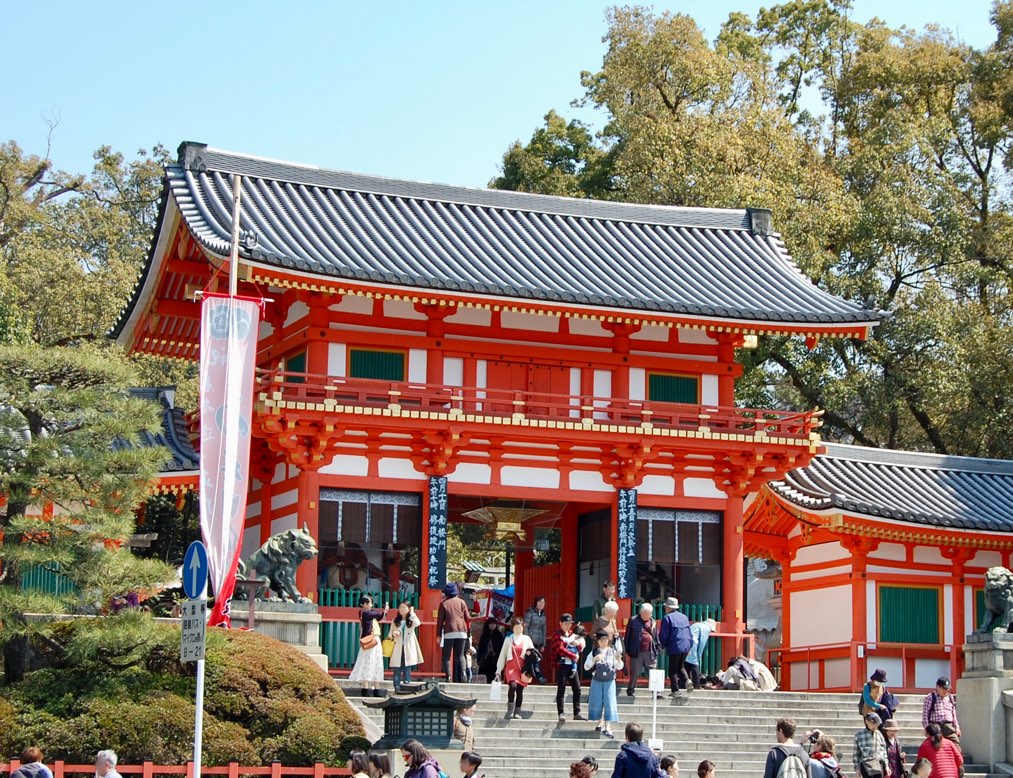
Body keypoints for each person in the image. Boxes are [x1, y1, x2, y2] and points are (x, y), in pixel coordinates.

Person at [585, 629, 623, 738]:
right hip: (596, 680)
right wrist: (594, 659)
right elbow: (586, 666)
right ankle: (599, 723)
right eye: (601, 640)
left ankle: (608, 726)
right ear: (598, 641)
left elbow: (619, 667)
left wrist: (619, 660)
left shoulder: (613, 651)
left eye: (605, 639)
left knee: (609, 702)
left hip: (609, 681)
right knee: (597, 701)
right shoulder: (594, 652)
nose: (604, 642)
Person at [349, 594, 389, 696]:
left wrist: (385, 612)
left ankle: (375, 689)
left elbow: (379, 617)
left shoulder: (368, 613)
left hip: (374, 639)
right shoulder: (365, 613)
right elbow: (377, 614)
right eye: (370, 603)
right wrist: (382, 612)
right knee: (368, 663)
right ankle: (366, 688)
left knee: (375, 663)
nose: (371, 605)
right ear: (365, 604)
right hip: (370, 640)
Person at [496, 617, 535, 719]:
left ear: (523, 627)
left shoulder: (527, 639)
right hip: (511, 667)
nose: (518, 630)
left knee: (520, 690)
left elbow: (534, 654)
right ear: (512, 628)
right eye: (516, 628)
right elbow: (503, 655)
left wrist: (530, 653)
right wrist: (498, 670)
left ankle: (518, 711)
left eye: (520, 628)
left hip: (522, 669)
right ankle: (510, 709)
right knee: (513, 686)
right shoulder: (508, 639)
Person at [552, 613, 585, 721]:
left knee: (577, 688)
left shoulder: (572, 634)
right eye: (566, 623)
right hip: (561, 664)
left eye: (570, 624)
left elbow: (580, 647)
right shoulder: (557, 635)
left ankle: (577, 713)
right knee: (561, 688)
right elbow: (560, 649)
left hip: (572, 665)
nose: (568, 626)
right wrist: (573, 656)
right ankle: (561, 713)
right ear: (560, 623)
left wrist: (577, 644)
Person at [437, 583, 471, 682]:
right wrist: (468, 632)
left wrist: (438, 635)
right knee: (460, 655)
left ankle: (448, 677)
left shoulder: (444, 604)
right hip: (462, 631)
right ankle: (463, 673)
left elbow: (440, 621)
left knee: (446, 656)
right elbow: (468, 618)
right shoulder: (462, 602)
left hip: (449, 631)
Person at [624, 603, 659, 698]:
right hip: (637, 650)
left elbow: (655, 635)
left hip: (650, 650)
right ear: (641, 612)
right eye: (647, 614)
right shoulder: (633, 620)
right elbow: (627, 636)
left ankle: (656, 692)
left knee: (652, 671)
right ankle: (630, 690)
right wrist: (627, 650)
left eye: (650, 614)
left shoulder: (652, 621)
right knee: (635, 672)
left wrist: (657, 647)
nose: (649, 616)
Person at [659, 597, 692, 694]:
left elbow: (664, 634)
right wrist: (690, 646)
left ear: (668, 607)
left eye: (666, 606)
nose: (665, 608)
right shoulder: (684, 617)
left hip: (675, 646)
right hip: (686, 645)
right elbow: (689, 633)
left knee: (672, 670)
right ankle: (687, 680)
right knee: (680, 666)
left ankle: (675, 690)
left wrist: (661, 646)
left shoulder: (667, 617)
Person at [390, 599, 423, 692]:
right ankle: (397, 688)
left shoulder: (411, 620)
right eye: (400, 607)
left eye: (404, 607)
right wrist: (394, 634)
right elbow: (390, 634)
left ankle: (406, 688)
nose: (402, 609)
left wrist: (412, 613)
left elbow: (418, 623)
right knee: (396, 670)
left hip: (408, 648)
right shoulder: (395, 621)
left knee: (407, 669)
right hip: (397, 647)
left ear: (408, 609)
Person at [922, 677, 961, 745]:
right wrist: (927, 729)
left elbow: (953, 713)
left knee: (955, 744)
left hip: (948, 726)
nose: (945, 691)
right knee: (936, 746)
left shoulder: (950, 697)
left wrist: (957, 727)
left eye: (947, 689)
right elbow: (925, 715)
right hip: (936, 726)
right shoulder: (930, 697)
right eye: (943, 689)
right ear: (937, 687)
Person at [854, 713, 889, 778]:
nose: (875, 726)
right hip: (865, 765)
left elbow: (884, 751)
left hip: (878, 764)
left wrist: (886, 766)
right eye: (873, 724)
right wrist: (857, 769)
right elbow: (856, 754)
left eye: (877, 724)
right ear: (866, 722)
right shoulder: (859, 735)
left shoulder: (879, 734)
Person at [685, 618, 716, 689]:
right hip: (693, 644)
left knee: (686, 664)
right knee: (695, 664)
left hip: (685, 643)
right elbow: (702, 642)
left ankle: (683, 684)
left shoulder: (696, 624)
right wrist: (699, 655)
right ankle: (697, 685)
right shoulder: (706, 628)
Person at [524, 596, 549, 682]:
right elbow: (525, 628)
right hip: (531, 642)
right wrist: (527, 641)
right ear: (536, 603)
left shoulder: (543, 615)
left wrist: (543, 644)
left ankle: (527, 677)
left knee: (534, 660)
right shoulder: (529, 613)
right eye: (540, 602)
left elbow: (544, 630)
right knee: (534, 660)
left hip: (539, 642)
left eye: (543, 602)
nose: (542, 604)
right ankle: (540, 677)